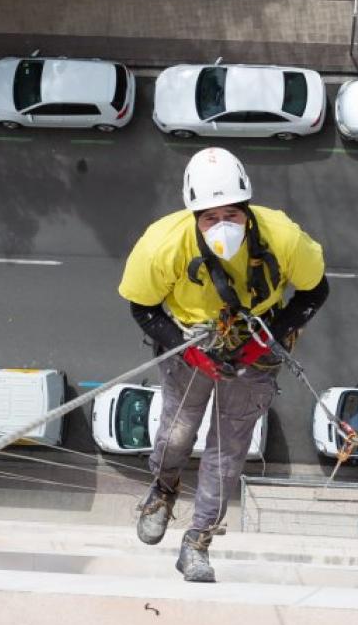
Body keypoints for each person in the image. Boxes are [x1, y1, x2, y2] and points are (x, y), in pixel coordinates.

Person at [120, 147, 331, 582]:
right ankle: (162, 490)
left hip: (256, 345)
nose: (222, 225)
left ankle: (198, 542)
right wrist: (185, 347)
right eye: (210, 217)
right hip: (191, 344)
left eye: (231, 214)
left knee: (227, 453)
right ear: (193, 215)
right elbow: (142, 307)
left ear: (247, 210)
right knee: (176, 433)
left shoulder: (283, 238)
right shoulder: (162, 244)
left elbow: (314, 292)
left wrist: (264, 340)